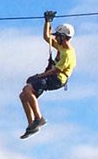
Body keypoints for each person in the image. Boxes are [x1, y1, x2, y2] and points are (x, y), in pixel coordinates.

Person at [20, 10, 74, 139]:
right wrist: (47, 22)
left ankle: (39, 118)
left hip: (57, 79)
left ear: (63, 37)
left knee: (28, 89)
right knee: (23, 95)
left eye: (58, 36)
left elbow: (56, 71)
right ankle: (32, 125)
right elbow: (47, 37)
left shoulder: (68, 54)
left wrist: (40, 76)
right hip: (51, 76)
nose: (56, 38)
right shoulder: (61, 47)